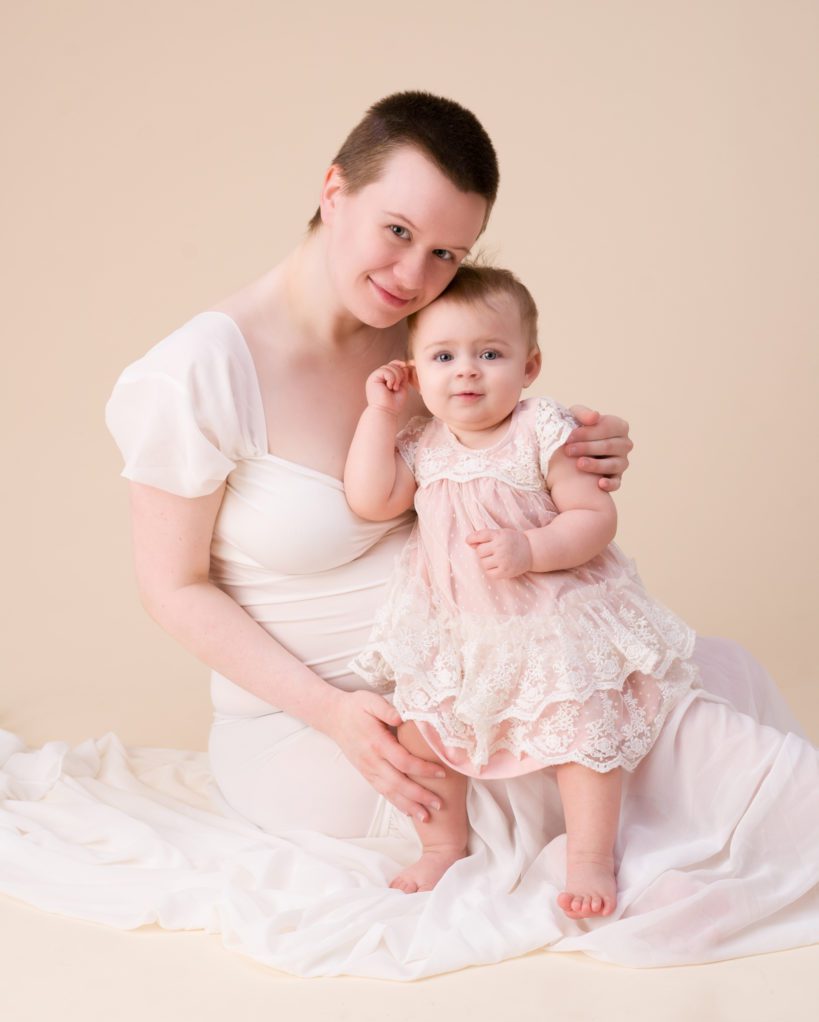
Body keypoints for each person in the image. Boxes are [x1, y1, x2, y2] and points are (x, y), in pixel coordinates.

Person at [105, 91, 634, 837]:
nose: (414, 274)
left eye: (445, 254)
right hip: (332, 726)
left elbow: (500, 454)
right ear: (333, 191)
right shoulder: (196, 372)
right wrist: (333, 713)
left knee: (677, 734)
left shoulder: (424, 336)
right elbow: (172, 586)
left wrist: (580, 447)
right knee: (597, 820)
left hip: (490, 677)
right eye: (396, 230)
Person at [344, 264, 699, 917]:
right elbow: (371, 499)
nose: (467, 371)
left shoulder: (540, 429)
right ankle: (440, 843)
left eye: (489, 353)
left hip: (548, 617)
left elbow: (594, 517)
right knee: (422, 736)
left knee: (582, 736)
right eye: (444, 356)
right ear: (417, 373)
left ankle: (590, 858)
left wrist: (532, 550)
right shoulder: (422, 441)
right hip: (462, 628)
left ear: (529, 365)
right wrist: (378, 412)